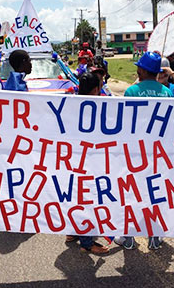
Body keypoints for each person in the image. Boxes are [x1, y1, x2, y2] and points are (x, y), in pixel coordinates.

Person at [115, 51, 172, 250]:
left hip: (136, 153)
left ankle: (128, 236)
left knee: (132, 192)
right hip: (159, 152)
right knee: (155, 192)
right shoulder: (166, 92)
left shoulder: (132, 91)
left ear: (141, 69)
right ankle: (155, 236)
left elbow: (125, 124)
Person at [66, 71, 109, 255]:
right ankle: (87, 242)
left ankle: (73, 231)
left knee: (77, 197)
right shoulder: (95, 107)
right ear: (94, 90)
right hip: (88, 162)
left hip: (72, 160)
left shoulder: (70, 104)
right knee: (88, 200)